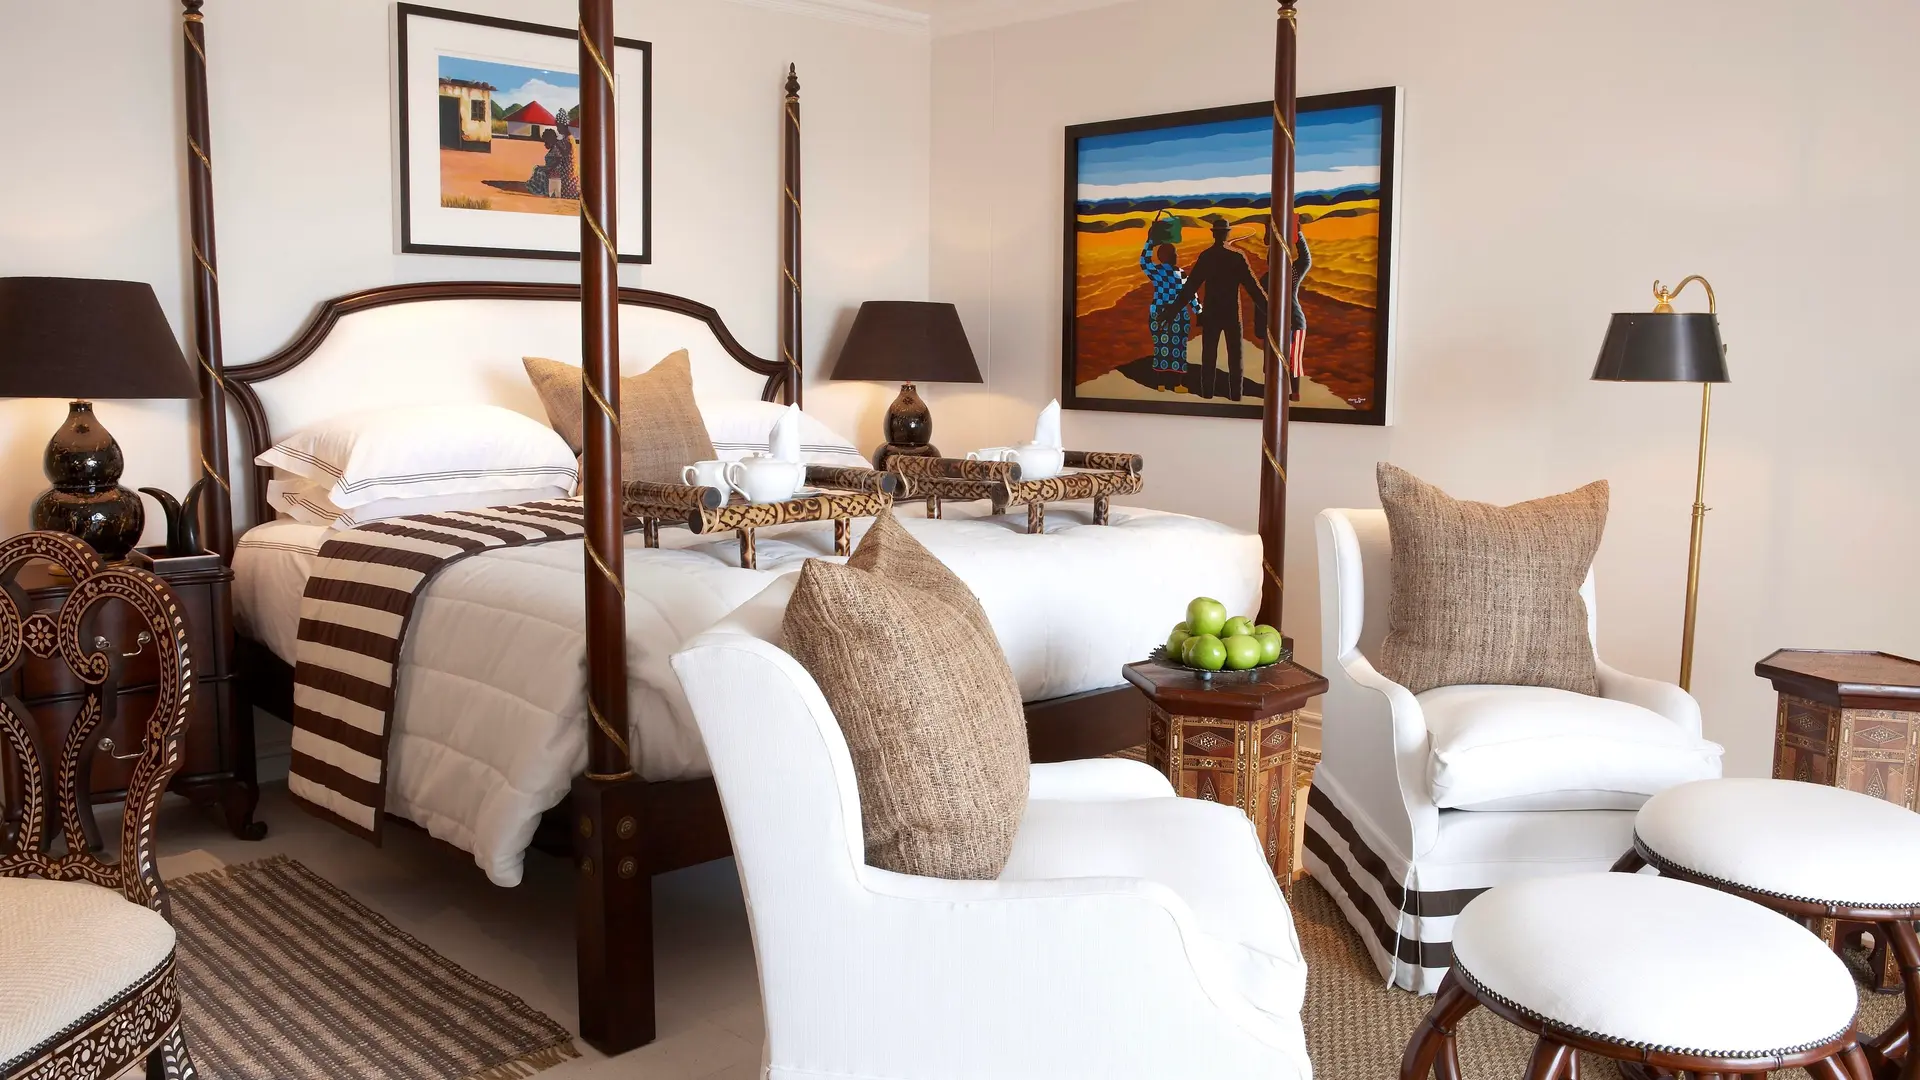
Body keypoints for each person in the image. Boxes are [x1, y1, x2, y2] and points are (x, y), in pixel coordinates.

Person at [1161, 219, 1269, 400]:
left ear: (1214, 234)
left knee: (1208, 357)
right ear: (1227, 234)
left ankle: (1207, 393)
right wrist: (1270, 311)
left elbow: (1190, 287)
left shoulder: (1207, 256)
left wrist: (1172, 311)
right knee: (1235, 358)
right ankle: (1236, 395)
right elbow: (1253, 288)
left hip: (1211, 314)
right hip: (1232, 314)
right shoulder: (1237, 256)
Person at [1139, 211, 1202, 388]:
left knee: (1161, 347)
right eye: (1174, 253)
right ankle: (1177, 384)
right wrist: (1199, 311)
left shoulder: (1156, 272)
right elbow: (1190, 295)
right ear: (1170, 256)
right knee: (1178, 348)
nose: (1177, 256)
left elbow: (1144, 261)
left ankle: (1160, 383)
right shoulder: (1181, 274)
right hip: (1178, 315)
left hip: (1158, 313)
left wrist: (1149, 242)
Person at [526, 128, 580, 199]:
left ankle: (541, 190)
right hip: (553, 169)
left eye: (546, 142)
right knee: (538, 169)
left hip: (557, 172)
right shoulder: (555, 146)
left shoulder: (557, 147)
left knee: (539, 172)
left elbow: (557, 162)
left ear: (550, 140)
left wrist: (547, 169)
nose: (545, 144)